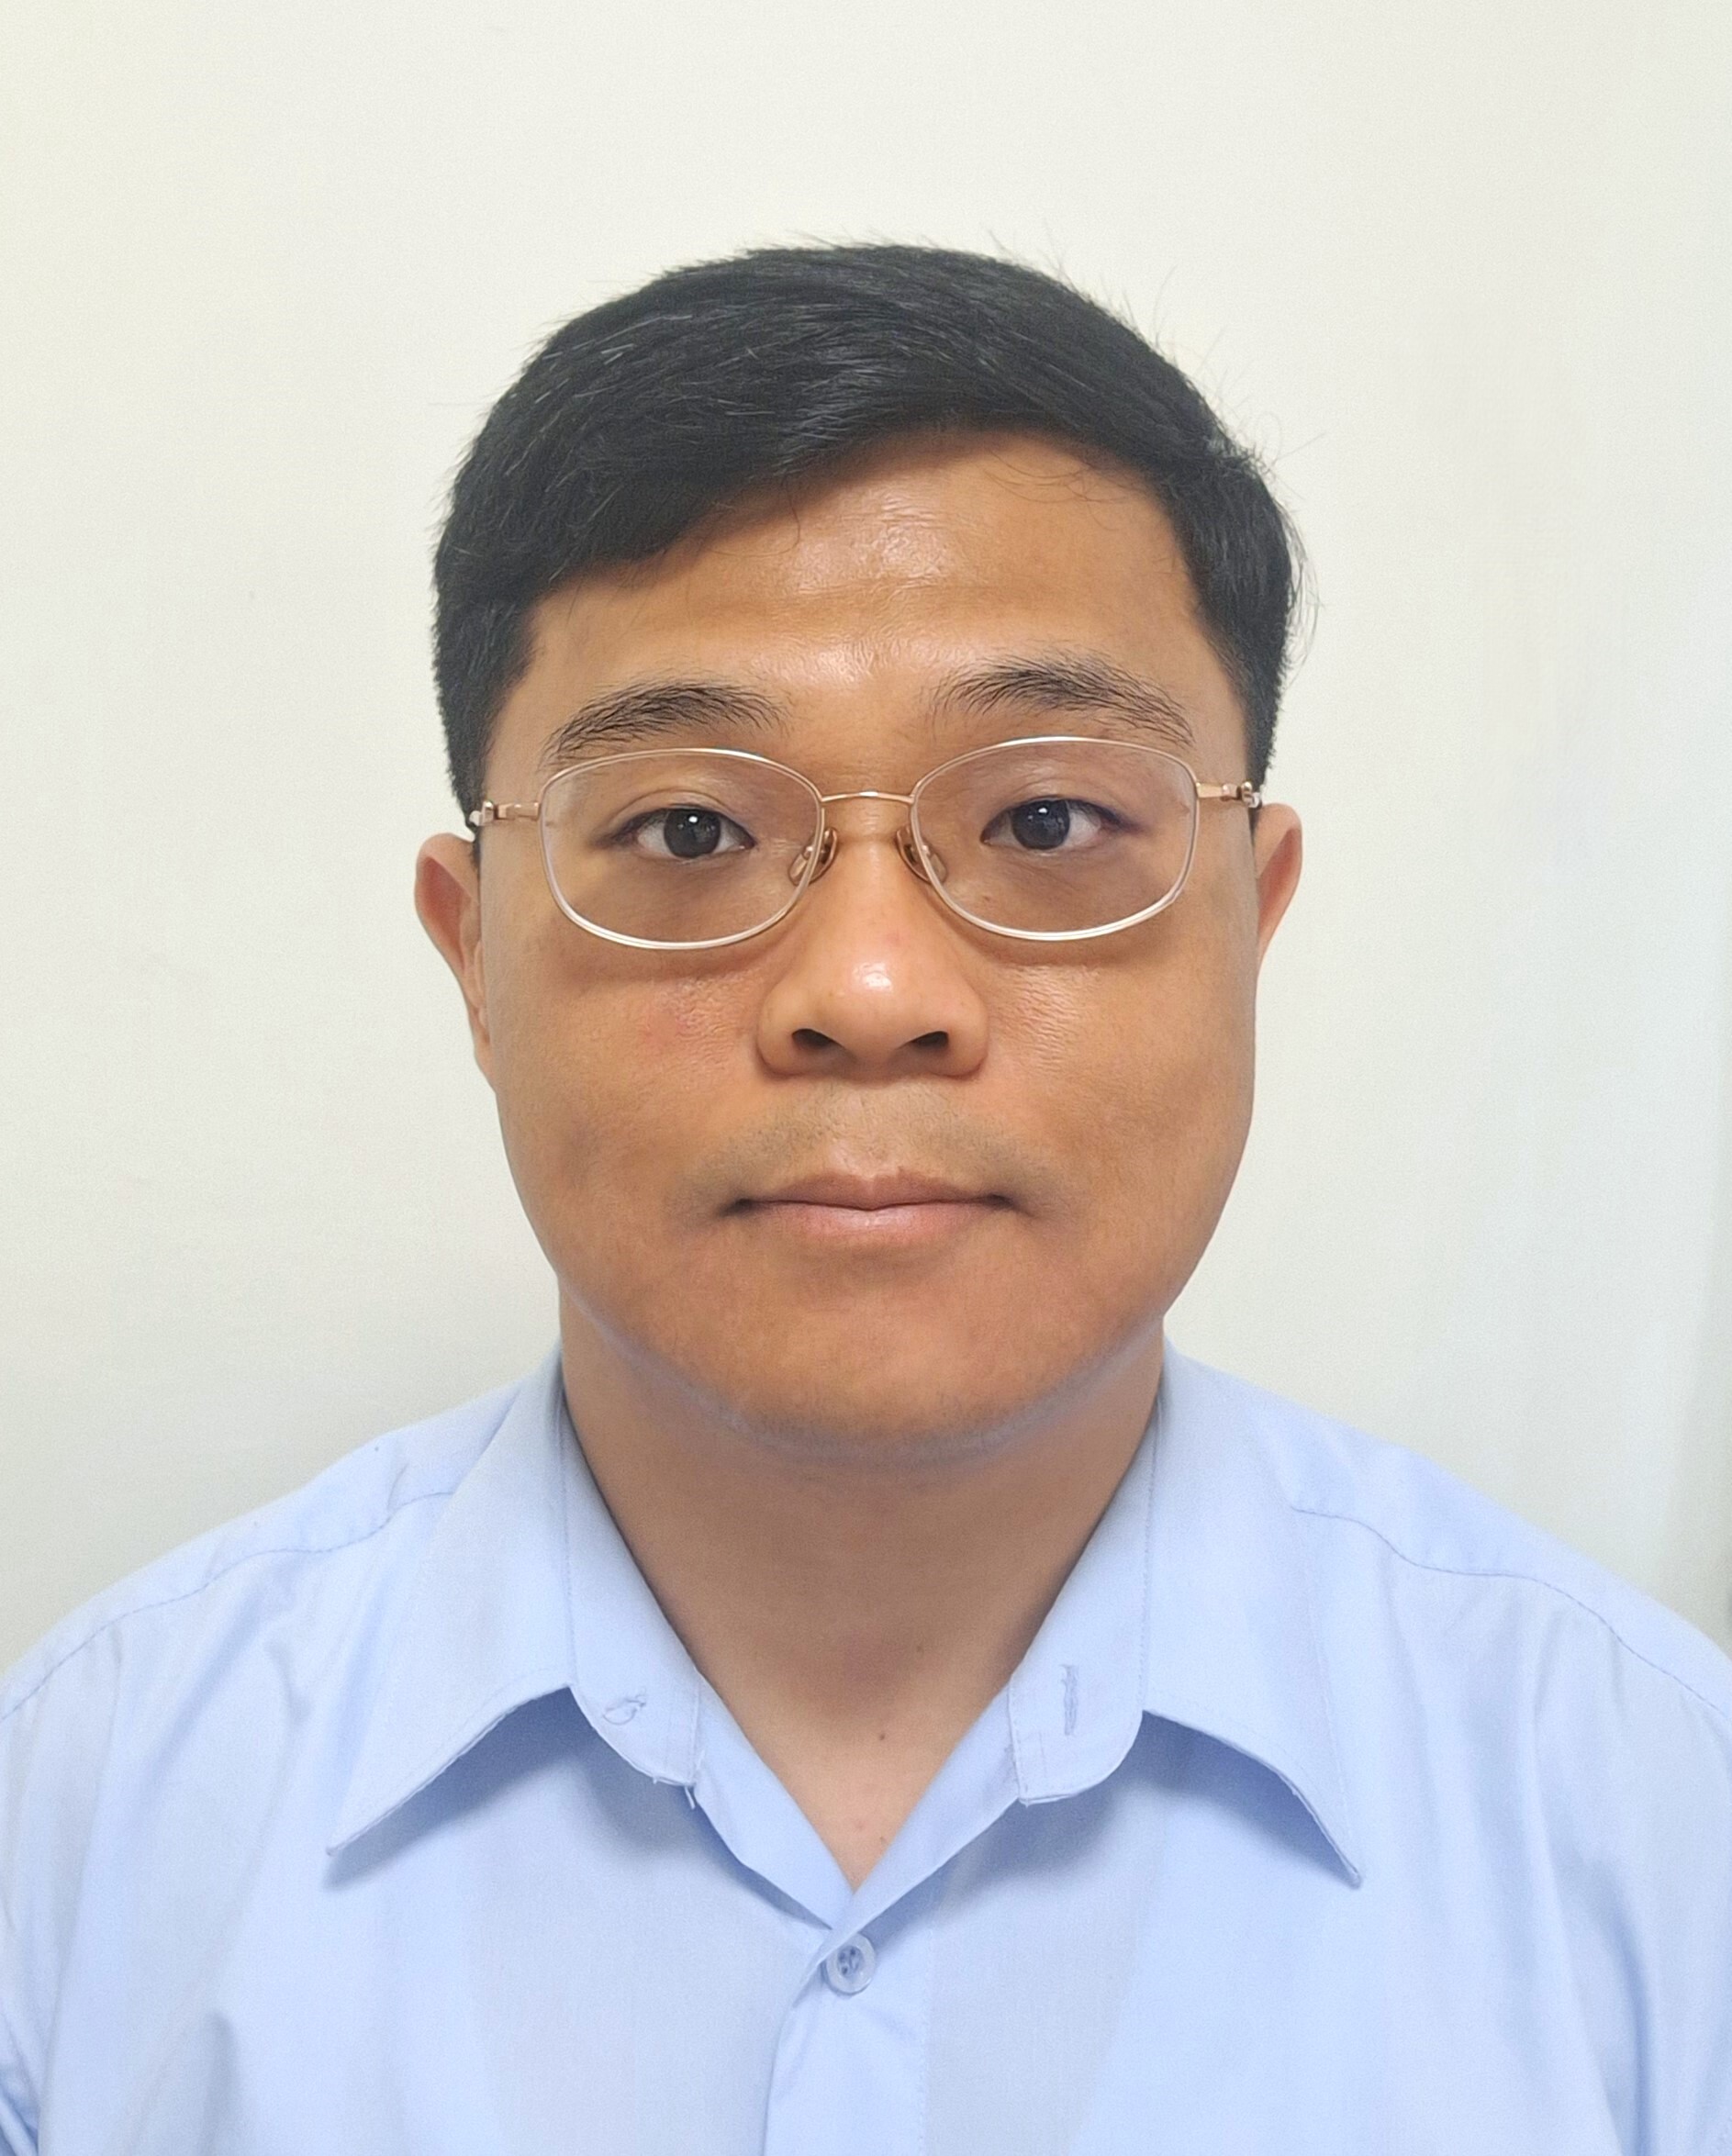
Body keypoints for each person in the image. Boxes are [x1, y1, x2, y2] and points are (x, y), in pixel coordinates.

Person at [1, 243, 1727, 2156]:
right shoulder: (83, 1828)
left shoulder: (1654, 1820)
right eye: (687, 827)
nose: (874, 987)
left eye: (1050, 820)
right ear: (472, 951)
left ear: (1253, 920)